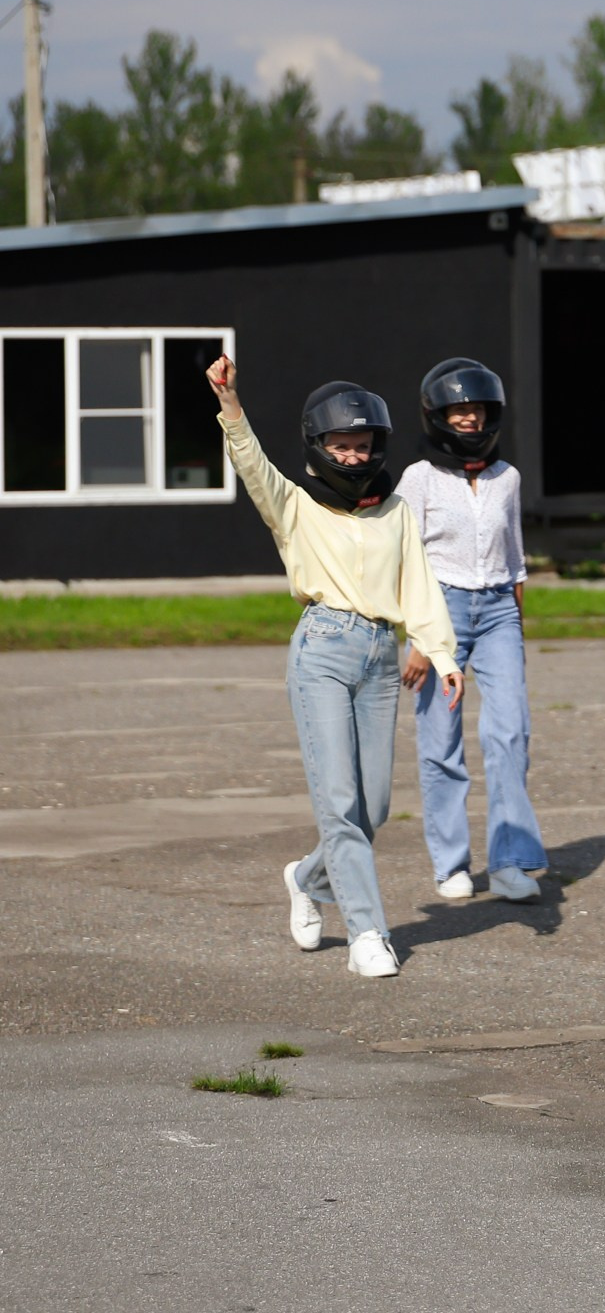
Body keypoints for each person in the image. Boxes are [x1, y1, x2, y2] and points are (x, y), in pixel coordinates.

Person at [206, 356, 462, 980]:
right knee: (340, 800)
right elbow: (252, 465)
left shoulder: (395, 510)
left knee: (371, 807)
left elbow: (419, 584)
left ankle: (306, 876)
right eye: (341, 446)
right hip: (321, 650)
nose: (353, 456)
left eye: (363, 445)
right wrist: (231, 404)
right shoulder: (293, 505)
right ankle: (367, 933)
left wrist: (443, 652)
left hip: (379, 654)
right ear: (319, 446)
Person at [395, 358, 545, 904]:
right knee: (442, 741)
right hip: (441, 610)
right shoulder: (419, 478)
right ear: (439, 415)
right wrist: (418, 639)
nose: (469, 418)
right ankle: (450, 864)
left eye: (477, 409)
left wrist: (518, 628)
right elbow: (405, 560)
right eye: (459, 410)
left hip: (501, 608)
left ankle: (509, 862)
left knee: (509, 732)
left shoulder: (508, 477)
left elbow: (516, 556)